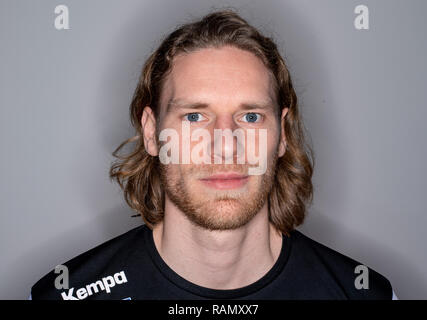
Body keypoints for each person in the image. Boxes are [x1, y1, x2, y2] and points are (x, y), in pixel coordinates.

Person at [30, 9, 397, 300]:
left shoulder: (362, 293)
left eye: (250, 116)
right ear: (151, 133)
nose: (225, 144)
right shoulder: (65, 294)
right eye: (194, 116)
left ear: (281, 134)